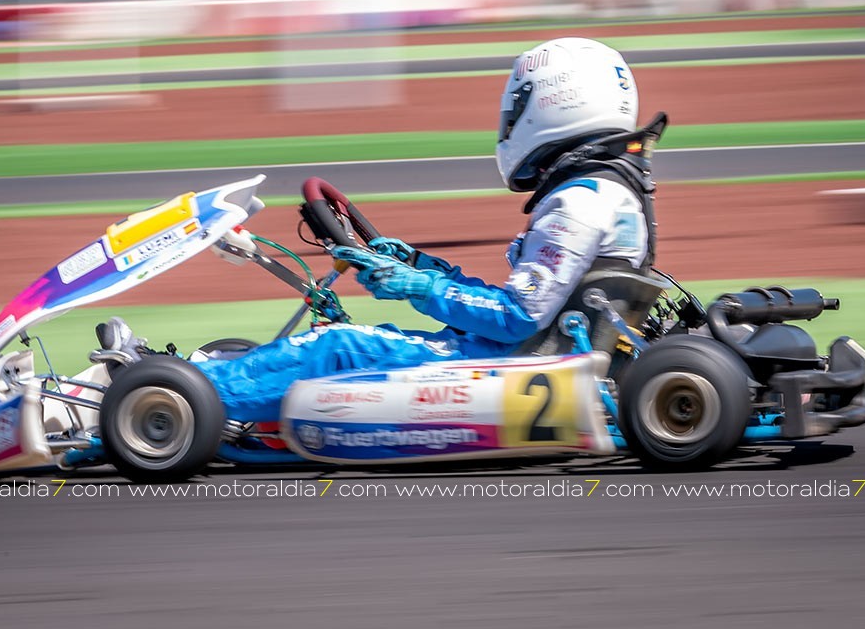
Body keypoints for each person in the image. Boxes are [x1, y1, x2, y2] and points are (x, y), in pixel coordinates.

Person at [195, 37, 667, 422]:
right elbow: (529, 308)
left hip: (507, 370)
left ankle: (177, 398)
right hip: (525, 358)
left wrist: (420, 286)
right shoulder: (611, 192)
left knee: (336, 346)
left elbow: (516, 317)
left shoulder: (579, 201)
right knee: (339, 343)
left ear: (552, 102)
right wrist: (422, 266)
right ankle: (204, 380)